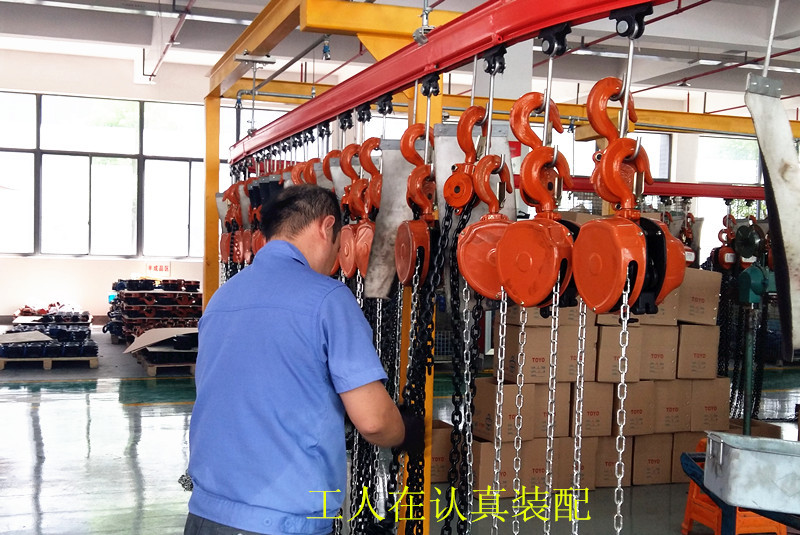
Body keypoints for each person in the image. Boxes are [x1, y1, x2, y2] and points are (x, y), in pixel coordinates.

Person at [185, 184, 419, 535]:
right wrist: (403, 432)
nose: (336, 259)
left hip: (205, 514)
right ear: (327, 227)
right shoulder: (328, 299)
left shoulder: (222, 298)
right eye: (339, 246)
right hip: (280, 522)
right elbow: (373, 422)